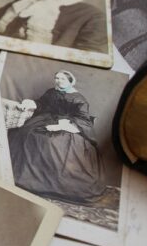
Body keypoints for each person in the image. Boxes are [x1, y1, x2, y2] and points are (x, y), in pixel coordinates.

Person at [8, 70, 107, 204]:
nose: (59, 81)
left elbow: (83, 120)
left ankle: (47, 182)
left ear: (70, 81)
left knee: (52, 142)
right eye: (57, 78)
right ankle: (25, 175)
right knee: (26, 133)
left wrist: (61, 126)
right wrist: (32, 104)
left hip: (67, 125)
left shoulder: (79, 99)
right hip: (47, 118)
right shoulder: (51, 92)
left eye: (63, 79)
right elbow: (42, 103)